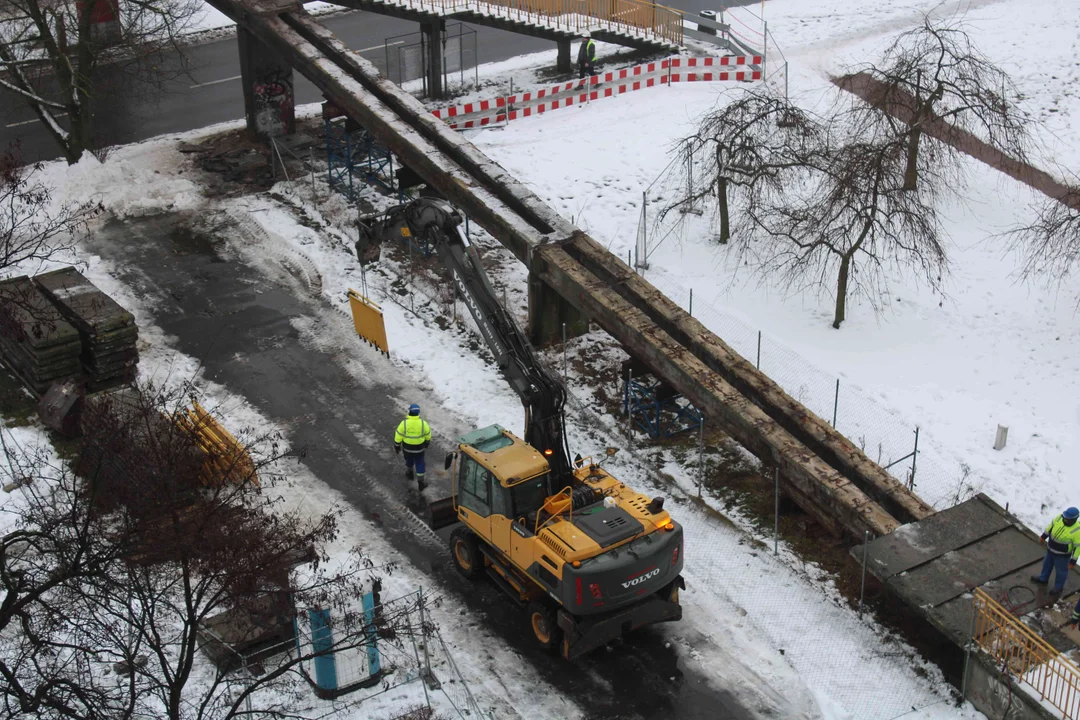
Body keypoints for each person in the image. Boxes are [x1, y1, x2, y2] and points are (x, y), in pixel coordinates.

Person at [1031, 506, 1080, 595]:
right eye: (1065, 517)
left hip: (1062, 556)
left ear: (1074, 519)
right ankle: (1043, 579)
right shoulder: (1059, 518)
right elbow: (1050, 527)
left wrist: (1073, 561)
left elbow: (1078, 548)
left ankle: (1058, 587)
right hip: (1050, 550)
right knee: (1046, 565)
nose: (1065, 519)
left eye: (1067, 519)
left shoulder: (1077, 530)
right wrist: (1043, 536)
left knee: (1061, 572)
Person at [394, 403, 432, 490]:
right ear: (418, 413)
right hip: (419, 448)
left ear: (410, 411)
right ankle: (421, 482)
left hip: (407, 448)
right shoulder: (423, 424)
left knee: (409, 460)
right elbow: (428, 435)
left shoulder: (404, 423)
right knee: (420, 463)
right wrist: (427, 443)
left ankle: (410, 473)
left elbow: (398, 435)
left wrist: (397, 446)